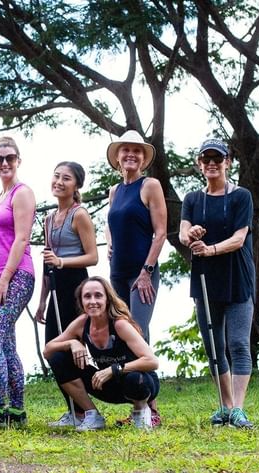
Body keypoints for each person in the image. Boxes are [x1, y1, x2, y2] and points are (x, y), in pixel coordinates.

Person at [179, 138, 256, 429]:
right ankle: (225, 406)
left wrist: (209, 249)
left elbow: (239, 239)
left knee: (237, 343)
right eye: (206, 159)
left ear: (228, 162)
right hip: (205, 281)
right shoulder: (192, 199)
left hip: (238, 278)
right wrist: (191, 234)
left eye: (218, 158)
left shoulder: (241, 196)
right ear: (199, 164)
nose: (212, 163)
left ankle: (238, 408)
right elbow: (183, 231)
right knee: (213, 346)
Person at [105, 130, 167, 426]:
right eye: (125, 150)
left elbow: (161, 232)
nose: (131, 155)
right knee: (122, 334)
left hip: (141, 274)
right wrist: (110, 245)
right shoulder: (115, 191)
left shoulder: (150, 185)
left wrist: (147, 271)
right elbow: (110, 223)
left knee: (138, 333)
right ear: (117, 157)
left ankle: (150, 410)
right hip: (116, 274)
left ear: (144, 158)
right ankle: (139, 406)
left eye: (137, 151)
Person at [44, 277, 160, 430]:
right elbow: (48, 350)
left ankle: (141, 412)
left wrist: (114, 369)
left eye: (98, 295)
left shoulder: (119, 324)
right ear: (81, 301)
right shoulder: (82, 323)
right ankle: (92, 415)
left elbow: (152, 361)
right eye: (87, 296)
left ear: (107, 299)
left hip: (140, 383)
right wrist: (73, 343)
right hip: (108, 385)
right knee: (58, 357)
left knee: (134, 379)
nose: (92, 301)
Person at [0, 136, 36, 427]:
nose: (4, 163)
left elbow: (22, 238)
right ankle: (17, 410)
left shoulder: (22, 193)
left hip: (16, 275)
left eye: (9, 158)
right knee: (7, 343)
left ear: (18, 160)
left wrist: (6, 280)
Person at [34, 161, 99, 427]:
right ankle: (74, 411)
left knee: (73, 349)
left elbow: (92, 257)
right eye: (56, 176)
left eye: (67, 178)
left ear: (77, 186)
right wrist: (41, 300)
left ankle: (88, 411)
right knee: (52, 348)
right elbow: (47, 263)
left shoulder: (79, 214)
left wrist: (62, 262)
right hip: (56, 287)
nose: (59, 182)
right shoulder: (48, 219)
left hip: (76, 286)